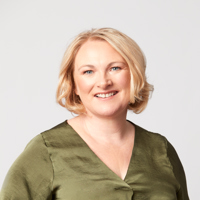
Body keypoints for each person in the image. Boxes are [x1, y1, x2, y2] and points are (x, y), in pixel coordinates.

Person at [0, 28, 189, 199]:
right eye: (88, 71)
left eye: (115, 68)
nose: (103, 82)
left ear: (134, 75)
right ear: (74, 85)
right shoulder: (46, 152)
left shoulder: (161, 151)